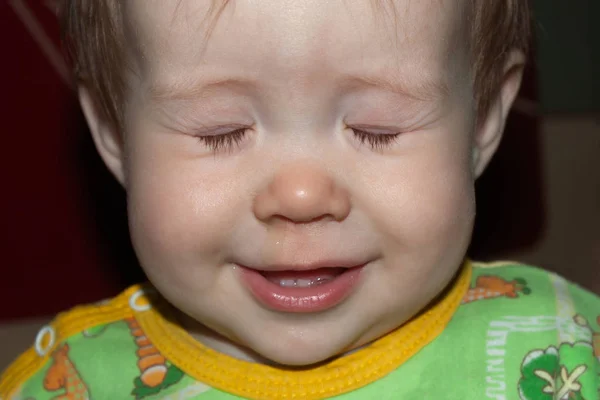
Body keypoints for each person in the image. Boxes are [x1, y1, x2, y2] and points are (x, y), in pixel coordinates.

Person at [1, 1, 598, 399]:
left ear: (484, 120)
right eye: (220, 131)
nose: (302, 194)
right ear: (114, 133)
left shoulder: (569, 345)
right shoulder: (69, 385)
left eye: (377, 129)